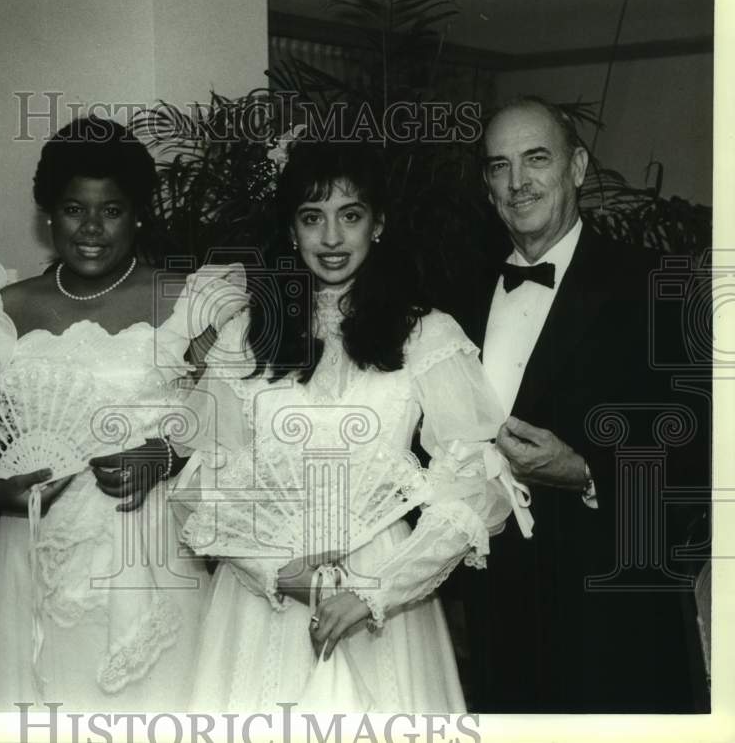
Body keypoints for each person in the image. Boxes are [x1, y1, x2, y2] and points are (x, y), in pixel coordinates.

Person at [170, 139, 523, 712]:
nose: (331, 238)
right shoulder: (245, 336)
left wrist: (376, 591)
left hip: (383, 592)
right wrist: (280, 573)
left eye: (349, 216)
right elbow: (202, 486)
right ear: (291, 230)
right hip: (265, 598)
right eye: (312, 218)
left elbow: (476, 483)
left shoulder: (428, 333)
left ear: (378, 224)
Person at [0, 116, 245, 711]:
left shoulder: (187, 298)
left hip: (149, 542)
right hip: (36, 548)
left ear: (138, 214)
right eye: (73, 209)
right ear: (48, 215)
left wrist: (167, 454)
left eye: (111, 210)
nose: (91, 228)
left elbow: (234, 414)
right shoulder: (3, 309)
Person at [453, 96, 703, 712]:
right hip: (497, 623)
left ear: (578, 167)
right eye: (499, 165)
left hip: (616, 624)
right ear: (487, 185)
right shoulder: (454, 296)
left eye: (536, 159)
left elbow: (702, 458)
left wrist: (588, 472)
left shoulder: (655, 285)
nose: (518, 182)